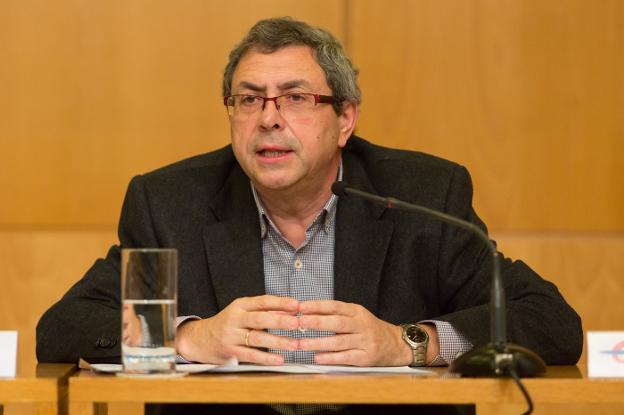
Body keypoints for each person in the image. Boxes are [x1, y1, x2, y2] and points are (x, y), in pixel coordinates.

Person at [37, 16, 582, 414]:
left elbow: (550, 321)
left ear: (345, 118)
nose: (268, 119)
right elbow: (62, 328)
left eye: (295, 98)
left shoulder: (424, 196)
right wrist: (187, 338)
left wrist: (410, 344)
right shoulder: (170, 201)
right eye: (249, 100)